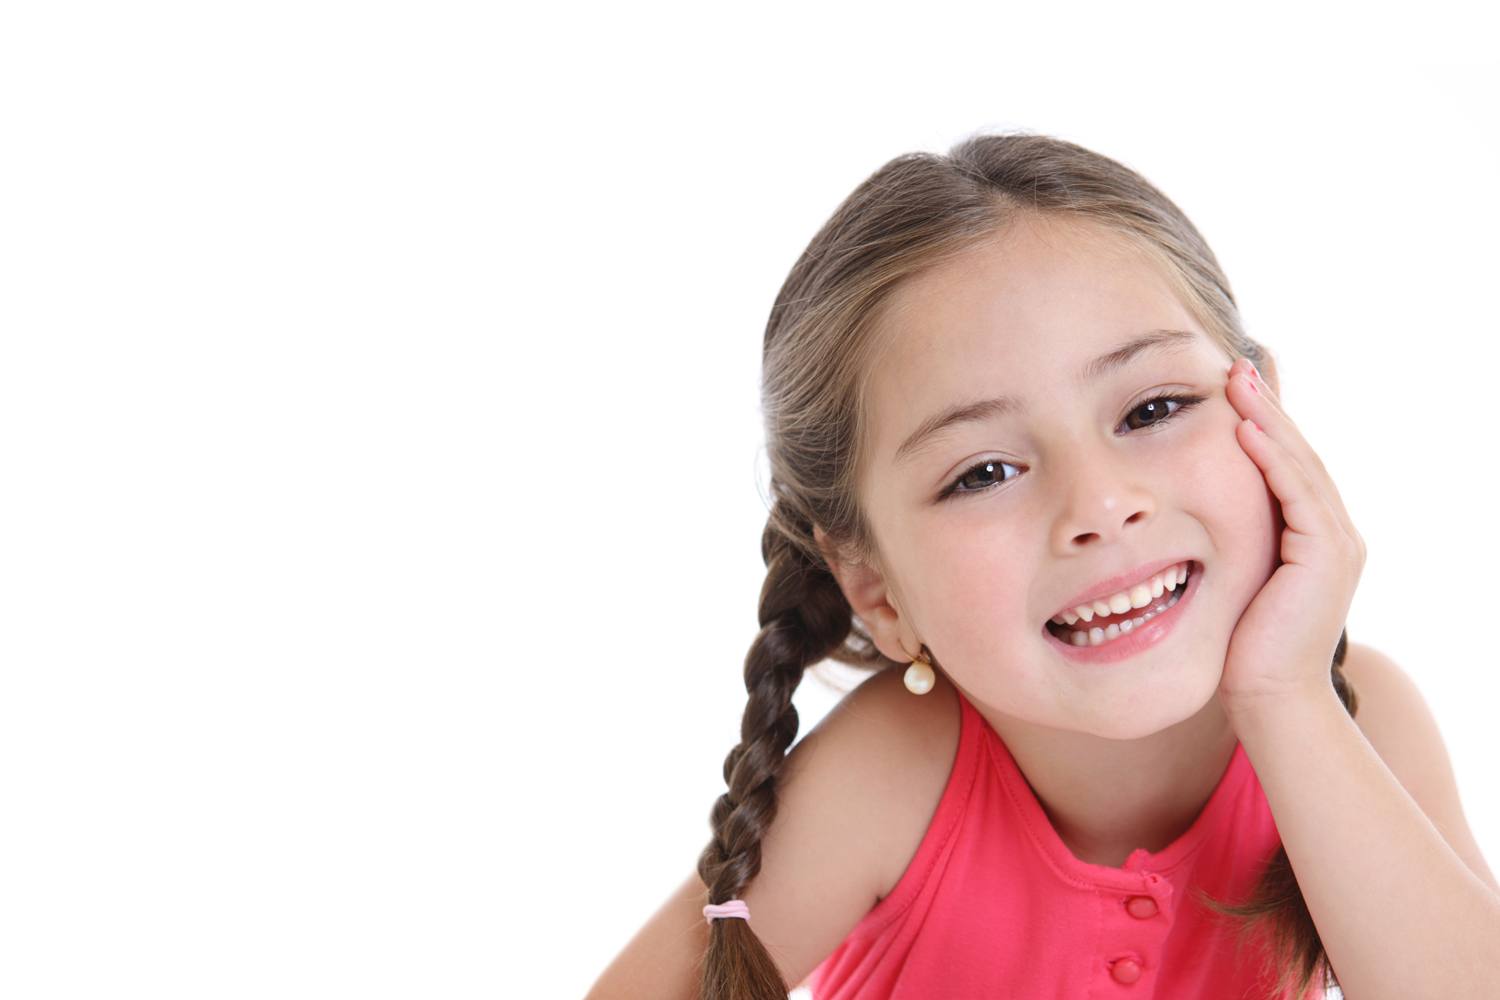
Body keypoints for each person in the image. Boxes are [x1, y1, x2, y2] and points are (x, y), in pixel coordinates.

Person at [587, 135, 1500, 999]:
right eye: (983, 473)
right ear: (875, 588)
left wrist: (1285, 698)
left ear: (1269, 419)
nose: (1101, 506)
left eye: (1152, 410)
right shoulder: (894, 771)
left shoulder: (1356, 718)